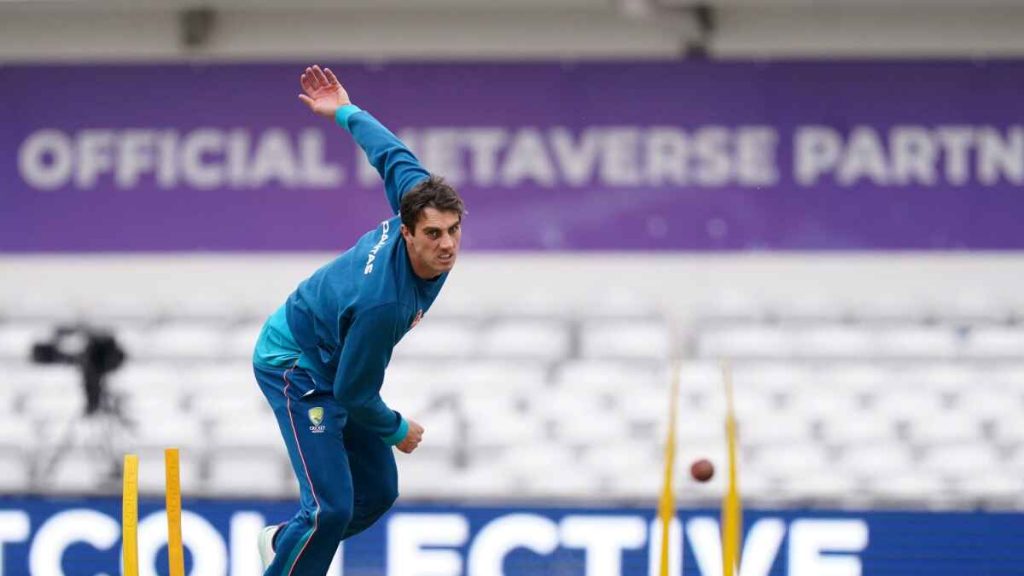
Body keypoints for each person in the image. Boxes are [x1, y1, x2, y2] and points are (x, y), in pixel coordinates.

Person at [251, 64, 464, 576]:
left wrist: (344, 110)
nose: (447, 245)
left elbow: (388, 152)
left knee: (377, 493)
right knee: (330, 508)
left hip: (333, 355)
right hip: (294, 362)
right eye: (433, 235)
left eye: (454, 230)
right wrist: (396, 430)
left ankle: (285, 541)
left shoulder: (416, 198)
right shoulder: (383, 304)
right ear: (408, 232)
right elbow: (351, 393)